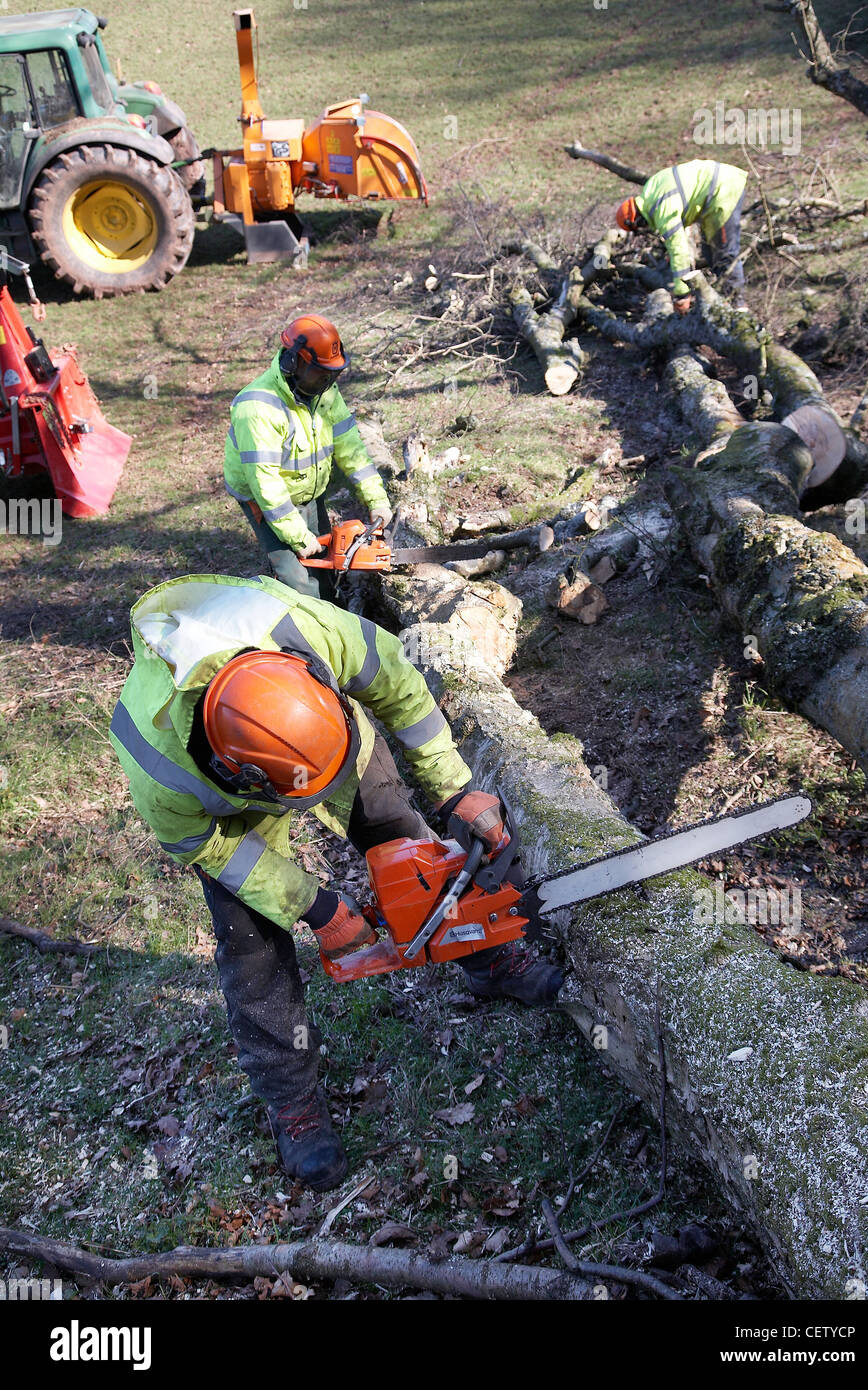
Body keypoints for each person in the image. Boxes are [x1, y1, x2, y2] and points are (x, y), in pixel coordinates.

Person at [109, 573, 562, 1191]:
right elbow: (213, 851)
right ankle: (292, 1100)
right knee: (251, 939)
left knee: (401, 840)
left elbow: (400, 682)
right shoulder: (158, 764)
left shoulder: (308, 629)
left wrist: (455, 786)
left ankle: (487, 955)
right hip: (229, 812)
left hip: (324, 739)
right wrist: (315, 906)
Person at [224, 313, 394, 601]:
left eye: (333, 375)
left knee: (324, 563)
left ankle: (331, 609)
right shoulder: (258, 407)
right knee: (298, 580)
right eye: (321, 373)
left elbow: (350, 447)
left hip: (309, 486)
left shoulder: (324, 393)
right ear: (293, 363)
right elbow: (265, 483)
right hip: (266, 499)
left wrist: (376, 499)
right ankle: (300, 629)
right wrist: (298, 537)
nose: (327, 382)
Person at [616, 160, 748, 313]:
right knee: (709, 253)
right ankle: (721, 301)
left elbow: (679, 250)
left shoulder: (661, 209)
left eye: (640, 227)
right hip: (712, 194)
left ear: (637, 219)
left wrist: (682, 294)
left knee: (725, 254)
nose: (645, 229)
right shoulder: (651, 191)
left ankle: (738, 307)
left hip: (723, 189)